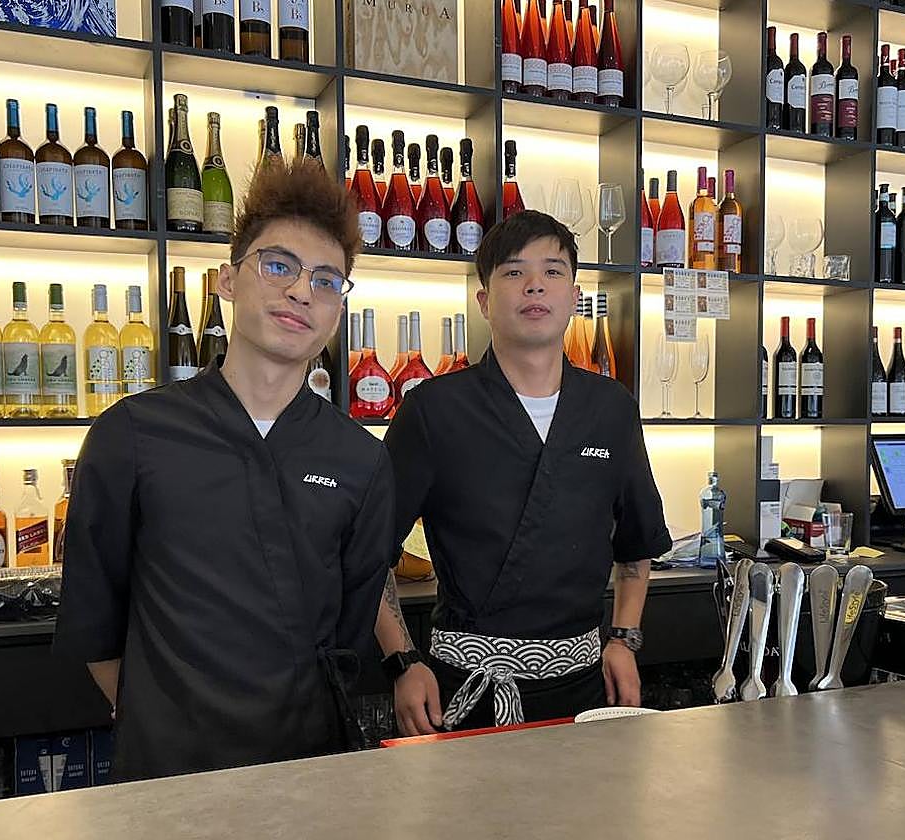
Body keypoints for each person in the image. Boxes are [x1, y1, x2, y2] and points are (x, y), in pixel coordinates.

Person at [53, 159, 394, 782]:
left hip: (308, 765)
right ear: (227, 280)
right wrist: (158, 716)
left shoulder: (360, 459)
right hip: (168, 770)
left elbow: (349, 628)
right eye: (279, 265)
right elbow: (93, 620)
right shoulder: (132, 435)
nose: (301, 292)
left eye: (326, 281)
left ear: (338, 310)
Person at [377, 210, 672, 735]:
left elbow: (635, 547)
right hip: (461, 690)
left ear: (574, 297)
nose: (535, 284)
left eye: (553, 271)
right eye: (514, 272)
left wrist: (624, 640)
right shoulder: (433, 410)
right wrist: (402, 661)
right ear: (484, 301)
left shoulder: (611, 409)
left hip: (584, 689)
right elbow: (370, 552)